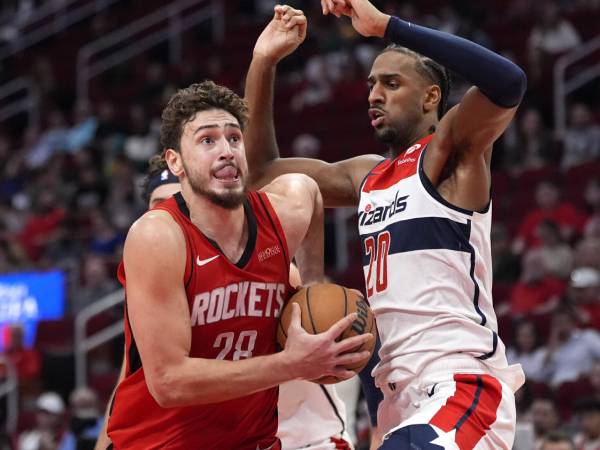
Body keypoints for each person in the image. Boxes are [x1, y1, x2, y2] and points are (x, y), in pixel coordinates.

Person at [245, 1, 528, 448]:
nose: (374, 95)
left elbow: (509, 82)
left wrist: (386, 26)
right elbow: (260, 173)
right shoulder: (367, 176)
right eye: (371, 85)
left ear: (431, 97)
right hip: (396, 396)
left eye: (391, 84)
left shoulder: (449, 155)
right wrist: (264, 62)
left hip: (458, 383)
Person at [104, 81, 372, 450]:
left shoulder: (280, 213)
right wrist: (292, 363)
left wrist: (313, 287)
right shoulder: (157, 237)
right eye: (207, 140)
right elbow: (169, 383)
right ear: (175, 162)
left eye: (234, 138)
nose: (227, 150)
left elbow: (308, 190)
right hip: (162, 443)